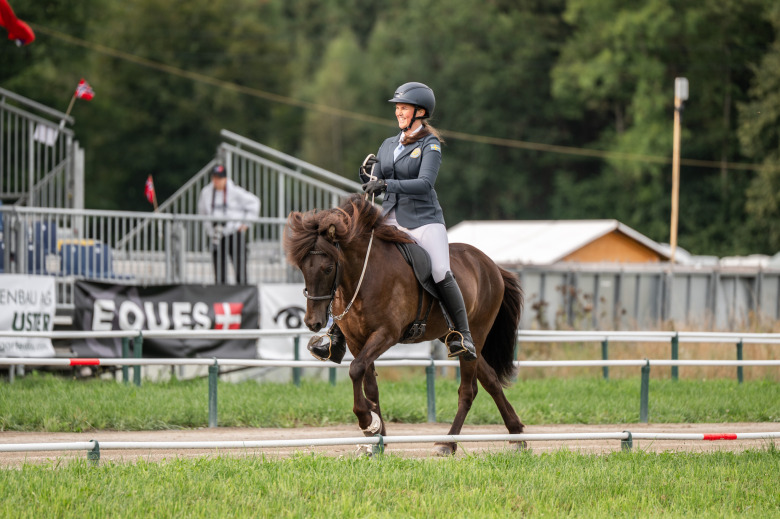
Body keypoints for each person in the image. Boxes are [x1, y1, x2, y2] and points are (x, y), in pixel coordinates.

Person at [308, 81, 477, 364]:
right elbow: (377, 180)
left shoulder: (430, 144)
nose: (399, 112)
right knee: (352, 259)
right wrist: (368, 178)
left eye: (404, 108)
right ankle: (335, 336)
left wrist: (387, 184)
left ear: (420, 112)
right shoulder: (388, 145)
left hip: (423, 220)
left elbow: (424, 183)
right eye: (397, 107)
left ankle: (462, 334)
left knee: (439, 270)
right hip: (390, 218)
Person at [197, 164, 260, 284]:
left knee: (240, 267)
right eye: (214, 177)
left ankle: (242, 291)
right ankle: (221, 292)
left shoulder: (235, 191)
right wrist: (210, 230)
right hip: (216, 234)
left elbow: (254, 202)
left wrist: (246, 224)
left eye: (219, 178)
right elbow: (202, 212)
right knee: (219, 269)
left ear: (225, 178)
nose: (217, 181)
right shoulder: (206, 192)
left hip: (234, 232)